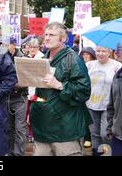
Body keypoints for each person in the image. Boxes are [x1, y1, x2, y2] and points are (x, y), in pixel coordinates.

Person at [29, 22, 91, 156]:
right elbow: (42, 92)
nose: (46, 38)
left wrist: (59, 85)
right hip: (43, 126)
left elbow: (84, 91)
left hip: (65, 128)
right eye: (45, 34)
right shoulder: (43, 59)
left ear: (63, 39)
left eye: (51, 35)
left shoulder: (73, 59)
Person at [85, 46, 121, 155]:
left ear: (110, 52)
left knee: (105, 134)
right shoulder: (89, 65)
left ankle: (106, 153)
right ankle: (97, 153)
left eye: (103, 51)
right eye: (98, 51)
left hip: (108, 105)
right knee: (94, 134)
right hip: (91, 104)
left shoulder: (116, 66)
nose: (100, 53)